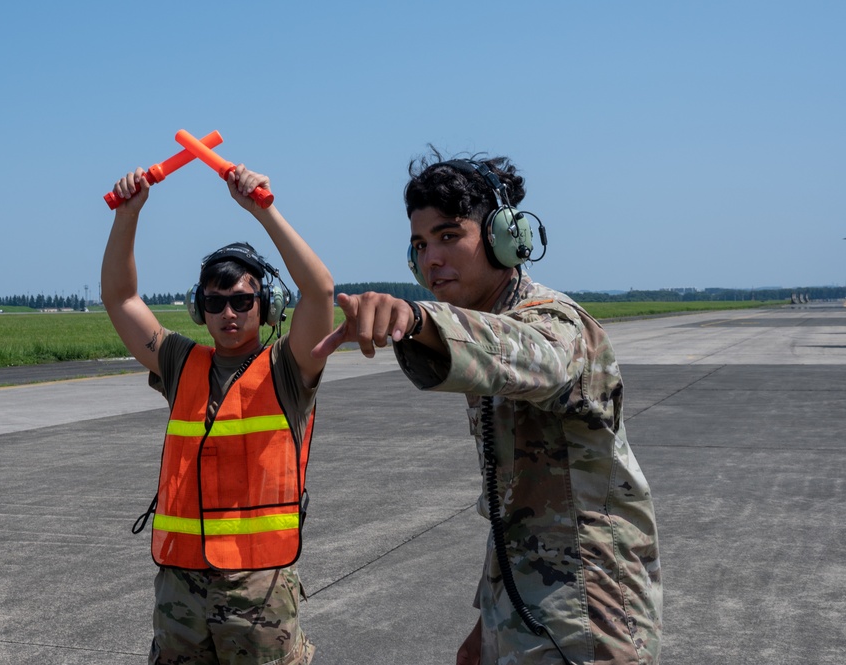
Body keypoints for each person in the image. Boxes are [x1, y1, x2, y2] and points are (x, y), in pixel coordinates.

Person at [312, 150, 662, 664]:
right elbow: (516, 505)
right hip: (525, 608)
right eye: (420, 245)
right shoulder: (483, 324)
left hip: (587, 616)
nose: (431, 259)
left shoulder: (559, 323)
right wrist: (489, 622)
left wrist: (416, 318)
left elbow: (533, 356)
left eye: (450, 236)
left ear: (503, 238)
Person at [102, 163, 333, 665]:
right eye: (215, 301)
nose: (228, 313)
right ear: (198, 308)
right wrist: (128, 215)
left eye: (242, 300)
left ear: (265, 305)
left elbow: (320, 294)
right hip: (181, 587)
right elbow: (120, 298)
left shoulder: (288, 368)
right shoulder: (180, 362)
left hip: (260, 588)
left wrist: (263, 211)